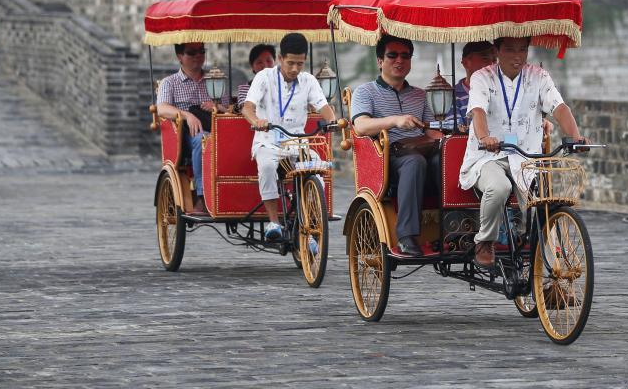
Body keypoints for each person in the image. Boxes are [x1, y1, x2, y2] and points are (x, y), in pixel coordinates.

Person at [459, 36, 585, 266]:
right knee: (499, 187)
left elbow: (559, 107)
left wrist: (575, 137)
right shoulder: (482, 77)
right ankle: (485, 241)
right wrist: (485, 137)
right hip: (489, 156)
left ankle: (555, 271)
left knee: (544, 203)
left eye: (522, 50)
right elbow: (478, 110)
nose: (517, 56)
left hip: (526, 156)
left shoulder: (539, 76)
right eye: (509, 50)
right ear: (496, 50)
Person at [350, 35, 442, 257]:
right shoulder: (365, 92)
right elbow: (360, 126)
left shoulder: (420, 95)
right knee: (415, 162)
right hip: (387, 156)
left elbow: (429, 130)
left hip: (421, 149)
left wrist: (450, 138)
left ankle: (451, 228)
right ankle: (406, 236)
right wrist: (395, 120)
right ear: (380, 61)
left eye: (405, 56)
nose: (399, 61)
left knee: (446, 159)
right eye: (392, 55)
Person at [242, 33, 336, 241]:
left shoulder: (308, 80)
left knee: (317, 167)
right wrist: (257, 121)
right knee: (266, 167)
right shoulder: (264, 77)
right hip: (267, 141)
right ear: (280, 59)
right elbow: (247, 107)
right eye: (290, 63)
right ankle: (274, 222)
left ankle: (311, 222)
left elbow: (324, 107)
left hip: (297, 142)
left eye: (300, 64)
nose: (295, 69)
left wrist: (333, 121)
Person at [155, 42, 230, 214]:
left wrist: (217, 106)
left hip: (216, 129)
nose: (198, 56)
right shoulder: (170, 82)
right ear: (180, 57)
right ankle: (202, 197)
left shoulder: (215, 81)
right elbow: (162, 108)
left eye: (201, 51)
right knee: (201, 140)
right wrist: (188, 116)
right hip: (186, 137)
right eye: (191, 53)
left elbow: (229, 110)